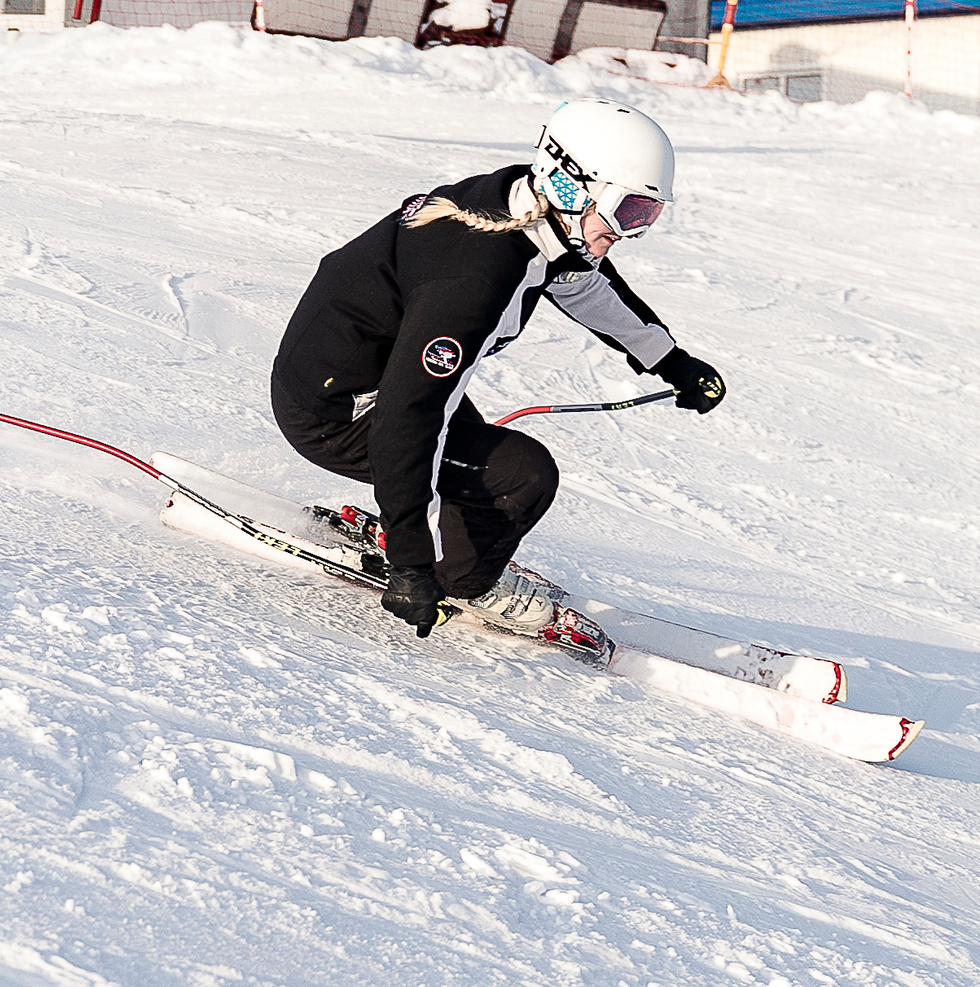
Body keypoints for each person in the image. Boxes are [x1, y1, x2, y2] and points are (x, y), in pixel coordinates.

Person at [269, 99, 726, 649]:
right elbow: (405, 419)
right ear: (571, 185)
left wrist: (669, 360)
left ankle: (436, 544)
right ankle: (460, 581)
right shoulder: (473, 282)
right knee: (521, 477)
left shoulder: (517, 207)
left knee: (472, 459)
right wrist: (411, 565)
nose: (628, 233)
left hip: (365, 377)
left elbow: (582, 283)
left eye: (645, 218)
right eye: (627, 212)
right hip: (337, 409)